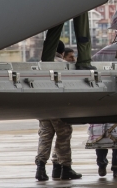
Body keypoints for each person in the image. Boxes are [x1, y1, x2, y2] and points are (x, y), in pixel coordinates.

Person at [34, 44, 82, 181]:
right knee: (63, 136)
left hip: (42, 107)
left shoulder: (40, 64)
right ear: (61, 52)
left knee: (45, 136)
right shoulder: (63, 65)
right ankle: (65, 168)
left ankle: (41, 168)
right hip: (59, 107)